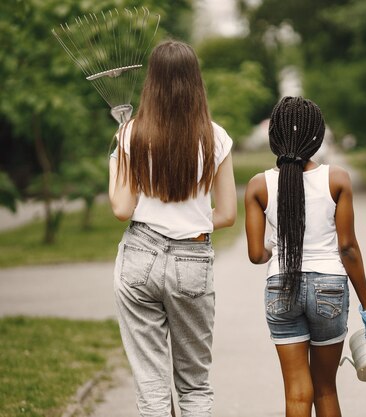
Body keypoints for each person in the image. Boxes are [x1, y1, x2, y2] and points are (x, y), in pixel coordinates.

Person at [108, 40, 236, 417]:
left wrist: (116, 155)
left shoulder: (131, 133)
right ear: (196, 81)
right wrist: (189, 220)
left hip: (139, 257)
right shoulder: (216, 136)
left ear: (152, 82)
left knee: (151, 384)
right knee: (195, 384)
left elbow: (121, 208)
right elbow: (227, 213)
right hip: (192, 262)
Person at [245, 96, 366, 417]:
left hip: (281, 286)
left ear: (274, 137)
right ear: (317, 136)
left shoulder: (259, 186)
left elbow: (256, 255)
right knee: (325, 389)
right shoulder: (336, 179)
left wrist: (271, 247)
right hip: (330, 289)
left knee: (296, 393)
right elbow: (347, 248)